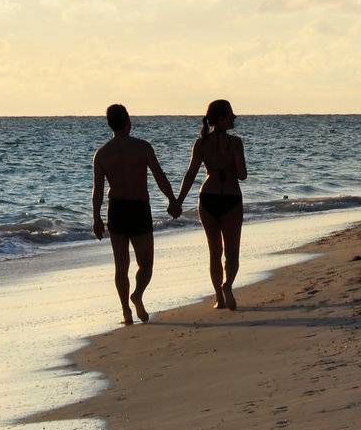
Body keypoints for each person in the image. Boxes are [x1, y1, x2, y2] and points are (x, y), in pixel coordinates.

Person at [92, 104, 179, 324]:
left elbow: (98, 190)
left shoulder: (102, 154)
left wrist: (96, 217)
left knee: (121, 266)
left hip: (117, 209)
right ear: (128, 121)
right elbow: (159, 176)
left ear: (109, 124)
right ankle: (137, 295)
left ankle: (126, 311)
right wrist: (172, 200)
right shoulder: (142, 147)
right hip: (139, 208)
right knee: (146, 265)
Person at [173, 99, 247, 311]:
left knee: (214, 251)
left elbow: (190, 174)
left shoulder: (201, 143)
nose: (234, 118)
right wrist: (232, 156)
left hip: (207, 196)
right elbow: (242, 175)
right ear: (221, 118)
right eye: (231, 115)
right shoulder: (235, 143)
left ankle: (219, 298)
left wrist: (178, 201)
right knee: (232, 251)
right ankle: (228, 286)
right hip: (231, 198)